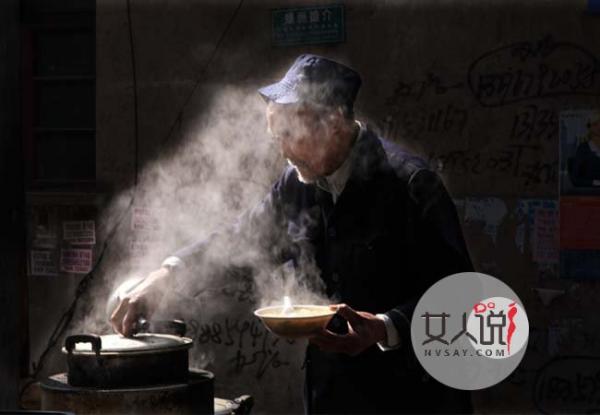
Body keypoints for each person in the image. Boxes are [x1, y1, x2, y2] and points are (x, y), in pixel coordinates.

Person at [110, 54, 474, 414]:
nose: (282, 150)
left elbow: (462, 301)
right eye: (275, 136)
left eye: (289, 135)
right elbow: (240, 239)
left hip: (411, 398)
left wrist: (382, 328)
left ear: (333, 122)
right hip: (329, 395)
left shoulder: (410, 184)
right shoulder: (296, 185)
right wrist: (167, 275)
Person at [570, 113, 600, 187]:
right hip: (589, 193)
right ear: (589, 127)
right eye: (595, 124)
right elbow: (575, 178)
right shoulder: (583, 149)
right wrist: (594, 182)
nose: (599, 127)